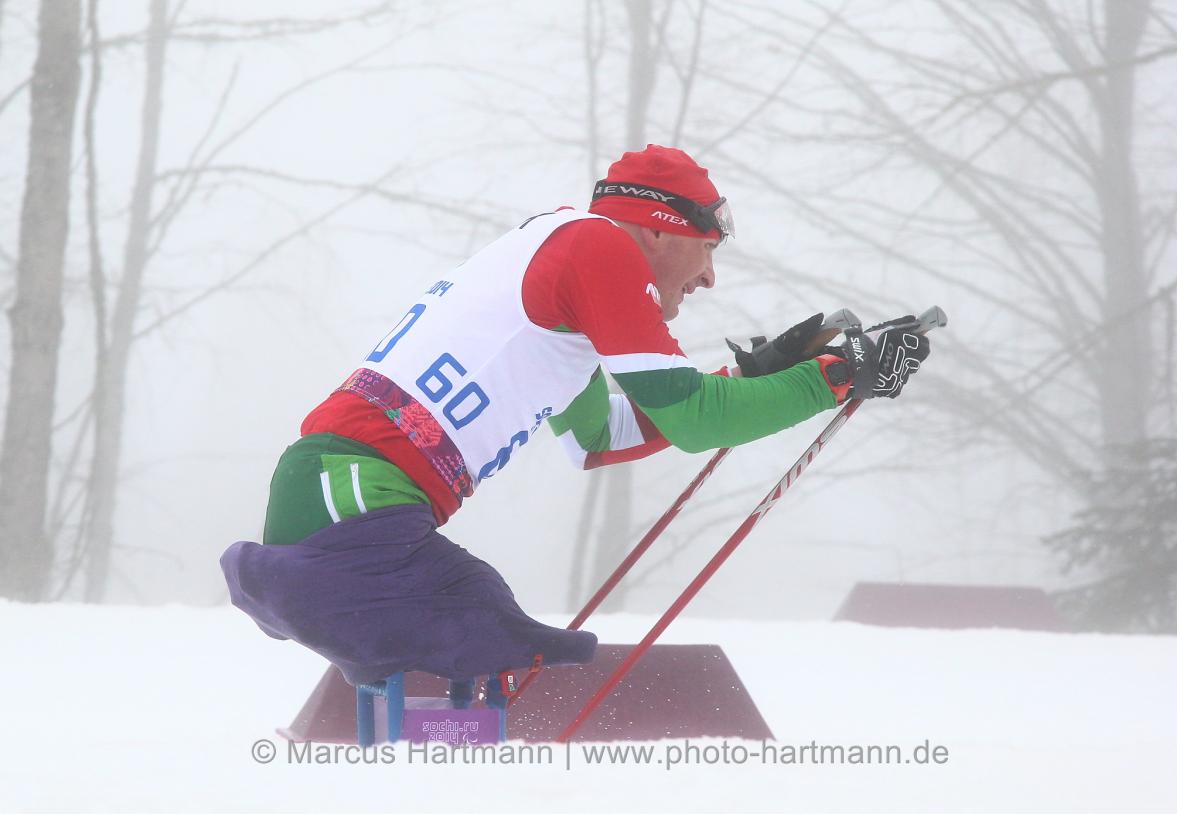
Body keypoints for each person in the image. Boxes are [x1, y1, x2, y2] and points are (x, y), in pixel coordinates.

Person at [220, 145, 930, 687]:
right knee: (494, 645)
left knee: (501, 641)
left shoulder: (567, 260)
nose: (711, 276)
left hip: (340, 494)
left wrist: (749, 376)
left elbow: (599, 436)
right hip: (347, 500)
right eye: (709, 249)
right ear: (659, 231)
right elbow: (698, 422)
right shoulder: (599, 248)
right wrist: (842, 374)